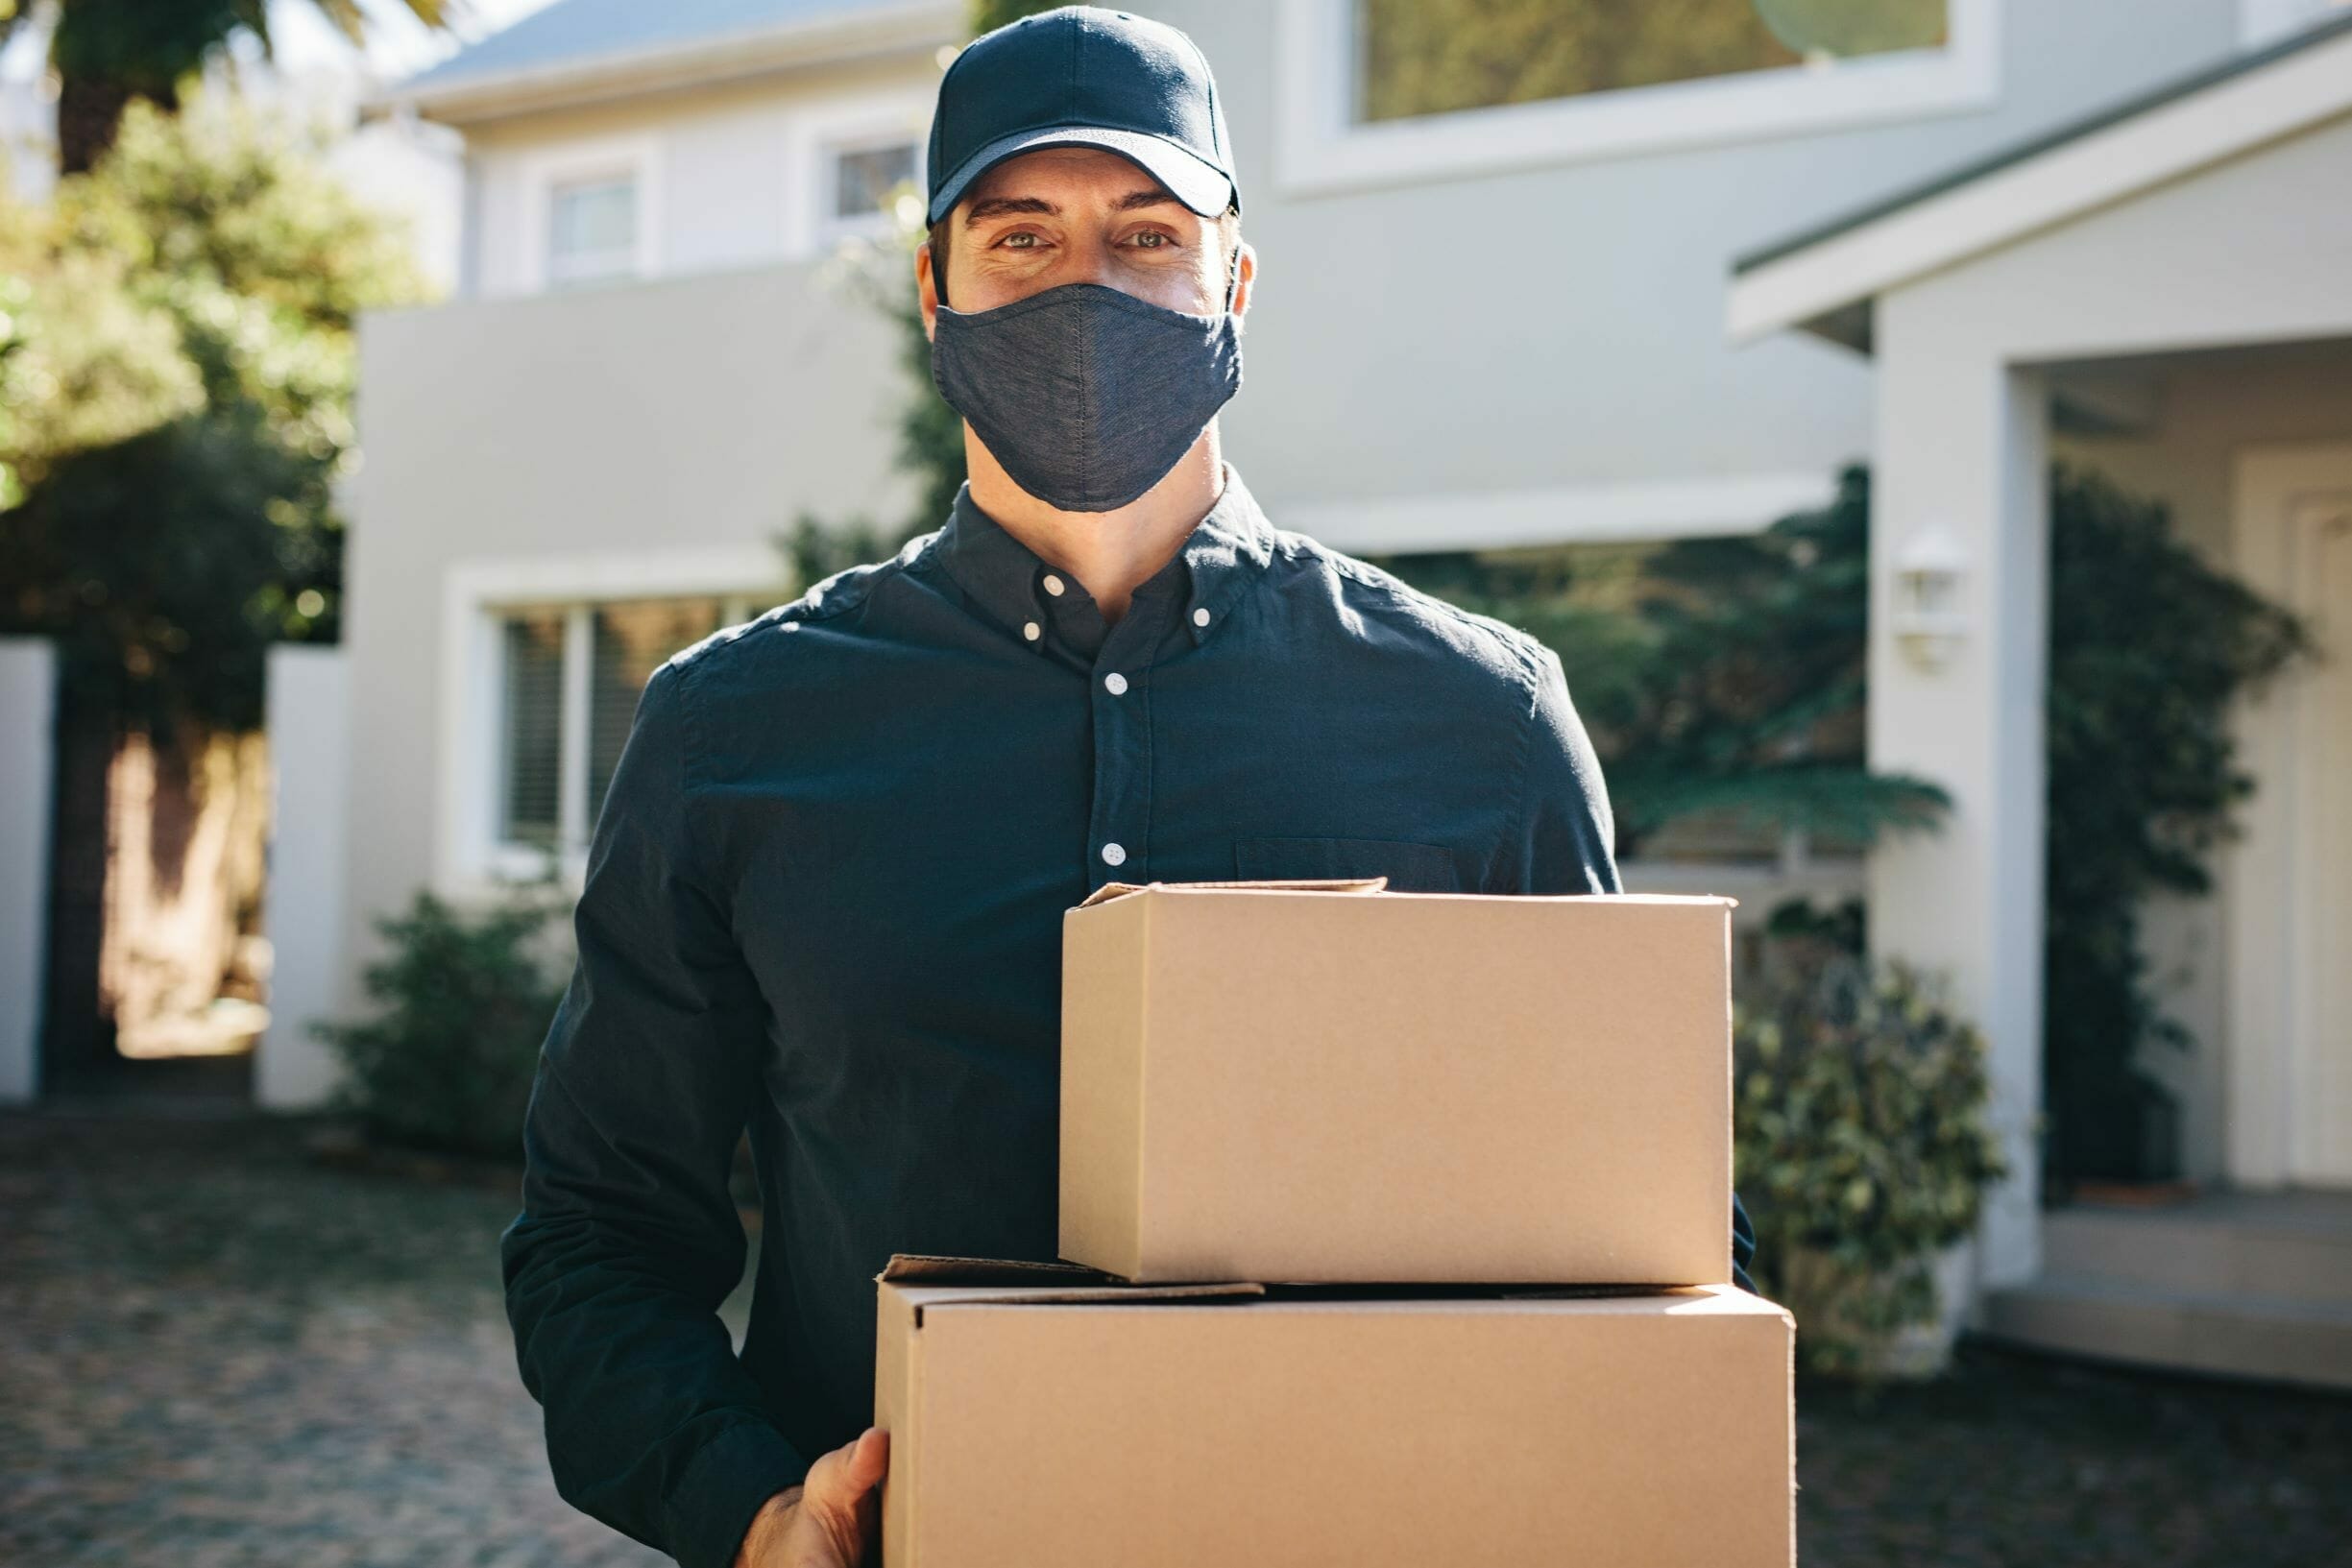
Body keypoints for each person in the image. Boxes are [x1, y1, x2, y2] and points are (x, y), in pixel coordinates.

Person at [498, 9, 1757, 1568]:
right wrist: (756, 1517)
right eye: (1021, 236)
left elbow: (1658, 1237)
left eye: (1145, 233)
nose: (1085, 284)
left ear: (1232, 281)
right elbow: (598, 1235)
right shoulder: (732, 729)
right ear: (934, 289)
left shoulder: (1478, 720)